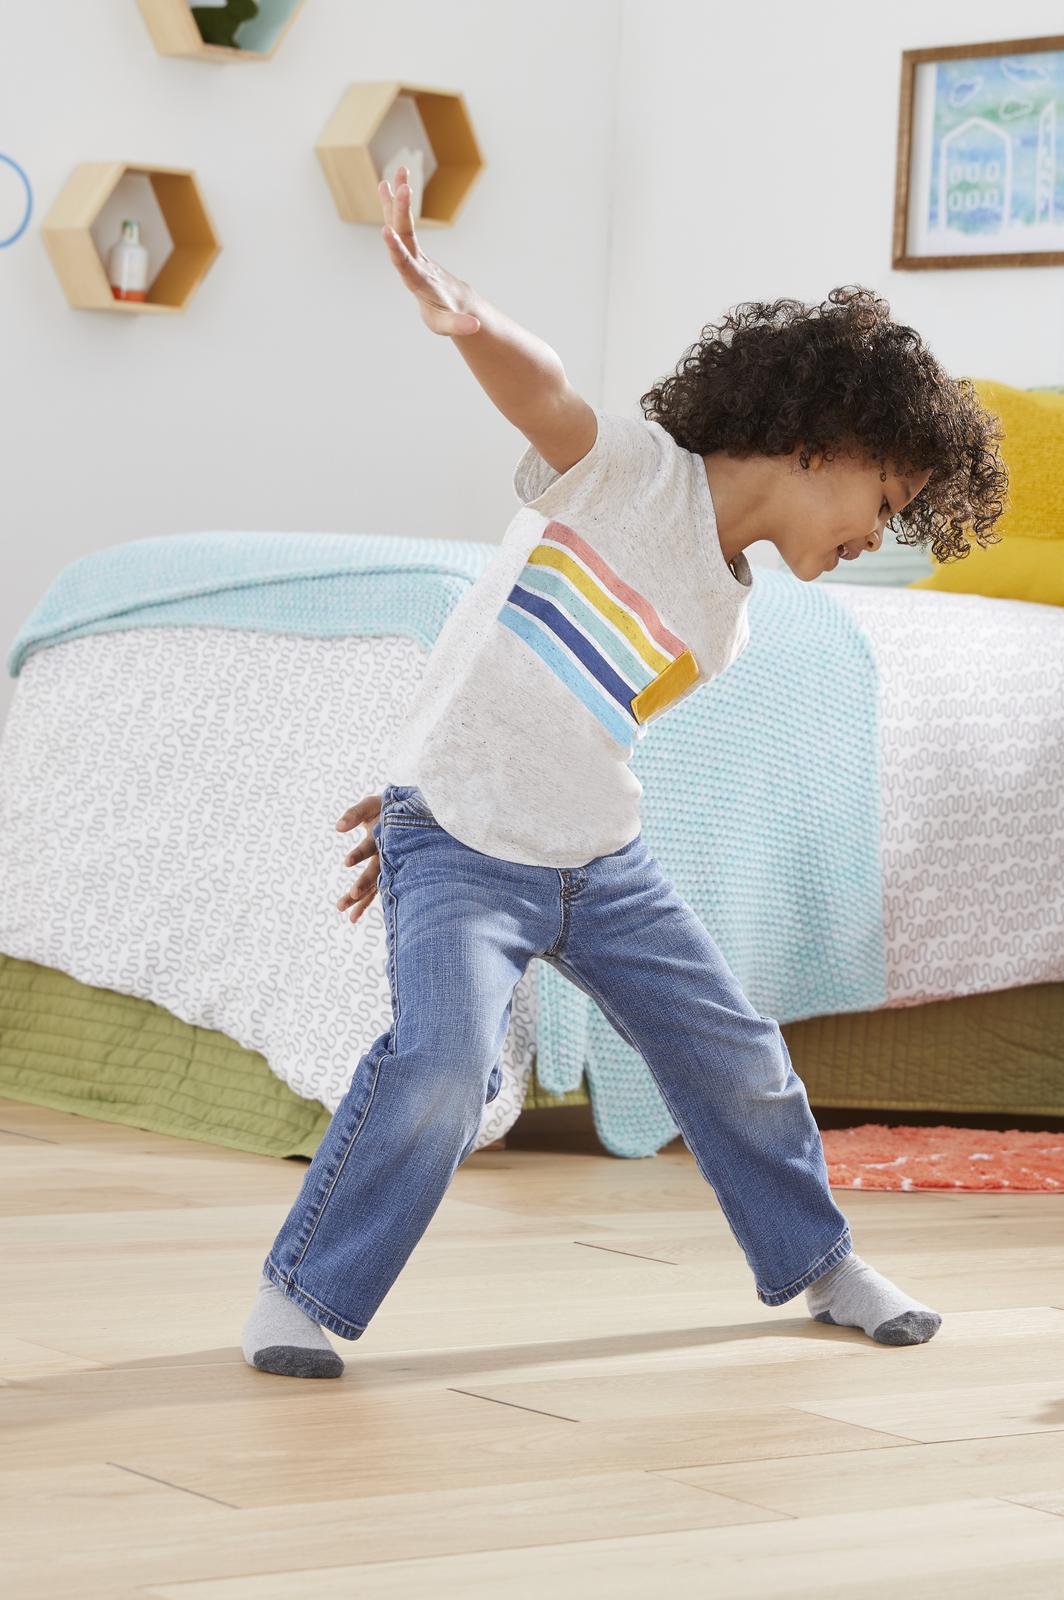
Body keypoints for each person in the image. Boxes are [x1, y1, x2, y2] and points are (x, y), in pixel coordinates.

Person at [242, 166, 1007, 1378]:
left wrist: (420, 786)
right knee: (442, 1070)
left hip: (599, 861)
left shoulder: (730, 617)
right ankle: (304, 1290)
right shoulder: (631, 471)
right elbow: (544, 396)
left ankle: (821, 1263)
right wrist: (470, 321)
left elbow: (553, 705)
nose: (873, 539)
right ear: (825, 442)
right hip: (464, 849)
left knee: (738, 1057)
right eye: (882, 502)